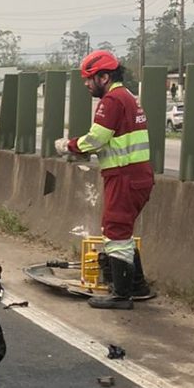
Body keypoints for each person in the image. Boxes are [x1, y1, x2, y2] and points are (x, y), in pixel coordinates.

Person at [55, 50, 153, 310]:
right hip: (136, 175)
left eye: (90, 79)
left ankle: (121, 295)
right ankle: (137, 286)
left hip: (124, 175)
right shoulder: (129, 97)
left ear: (105, 76)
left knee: (116, 230)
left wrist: (69, 145)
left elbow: (96, 139)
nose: (87, 84)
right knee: (122, 229)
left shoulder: (111, 101)